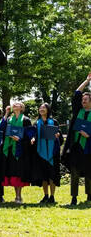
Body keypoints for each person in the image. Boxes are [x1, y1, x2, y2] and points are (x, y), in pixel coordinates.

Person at [62, 73, 91, 205]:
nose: (83, 101)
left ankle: (89, 196)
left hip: (88, 146)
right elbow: (76, 93)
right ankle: (74, 197)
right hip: (75, 146)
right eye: (82, 100)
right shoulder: (77, 111)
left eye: (86, 99)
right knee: (74, 172)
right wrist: (87, 81)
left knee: (89, 172)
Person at [30, 103, 63, 204]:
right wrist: (33, 138)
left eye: (44, 108)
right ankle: (45, 195)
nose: (41, 109)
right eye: (40, 108)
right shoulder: (37, 123)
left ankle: (52, 196)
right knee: (44, 176)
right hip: (41, 153)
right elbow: (34, 134)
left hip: (53, 153)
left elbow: (60, 136)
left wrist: (58, 135)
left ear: (48, 110)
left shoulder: (54, 121)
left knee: (52, 175)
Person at [2, 102, 32, 204]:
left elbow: (29, 135)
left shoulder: (26, 120)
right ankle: (17, 195)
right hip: (11, 148)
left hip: (21, 149)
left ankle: (19, 196)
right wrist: (6, 113)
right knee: (14, 173)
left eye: (17, 104)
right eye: (13, 104)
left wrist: (20, 139)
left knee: (20, 172)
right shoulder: (9, 119)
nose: (14, 105)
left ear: (22, 108)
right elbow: (3, 128)